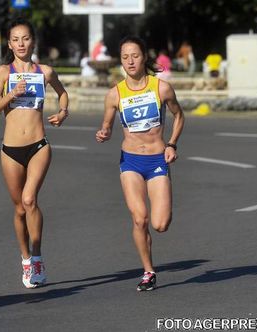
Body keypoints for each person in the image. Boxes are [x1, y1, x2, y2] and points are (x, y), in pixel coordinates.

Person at [95, 36, 184, 292]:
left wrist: (172, 144)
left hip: (157, 160)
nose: (130, 61)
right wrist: (103, 134)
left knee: (160, 224)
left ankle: (164, 201)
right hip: (130, 161)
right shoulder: (115, 94)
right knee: (139, 219)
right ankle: (148, 271)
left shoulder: (161, 88)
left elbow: (179, 116)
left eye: (134, 55)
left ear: (144, 56)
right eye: (125, 57)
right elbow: (107, 126)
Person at [0, 18, 69, 288]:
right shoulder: (3, 72)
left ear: (33, 41)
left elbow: (62, 93)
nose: (21, 44)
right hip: (10, 150)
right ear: (10, 44)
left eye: (26, 38)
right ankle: (25, 259)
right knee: (19, 208)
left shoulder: (44, 71)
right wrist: (11, 95)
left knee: (30, 199)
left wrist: (63, 112)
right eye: (16, 39)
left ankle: (37, 257)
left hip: (38, 145)